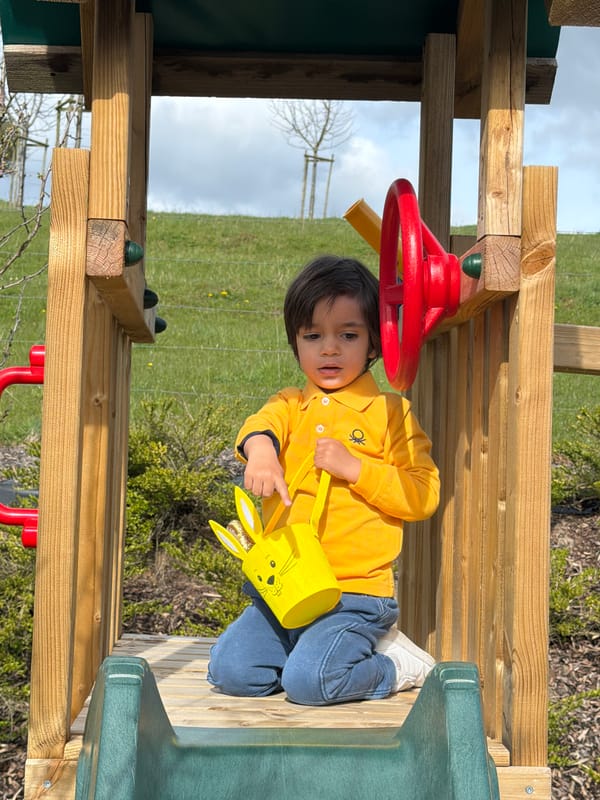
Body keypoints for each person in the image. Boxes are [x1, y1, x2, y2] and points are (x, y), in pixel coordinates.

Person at [207, 254, 440, 705]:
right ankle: (307, 653)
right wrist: (261, 452)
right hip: (286, 590)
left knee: (310, 684)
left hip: (354, 595)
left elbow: (423, 494)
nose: (329, 349)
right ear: (297, 344)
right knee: (231, 672)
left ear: (375, 343)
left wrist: (358, 470)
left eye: (347, 335)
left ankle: (393, 665)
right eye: (313, 336)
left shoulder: (390, 414)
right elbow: (261, 425)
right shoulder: (291, 404)